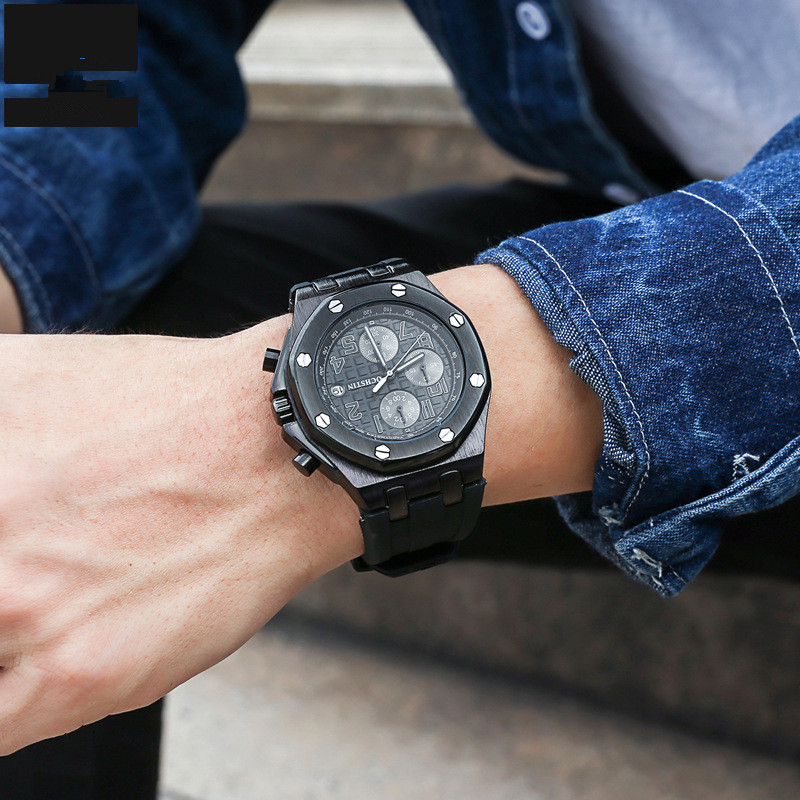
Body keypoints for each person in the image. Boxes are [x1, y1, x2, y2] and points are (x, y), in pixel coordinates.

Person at [1, 1, 800, 798]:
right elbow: (94, 29)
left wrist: (248, 448)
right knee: (67, 377)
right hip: (648, 205)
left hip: (751, 295)